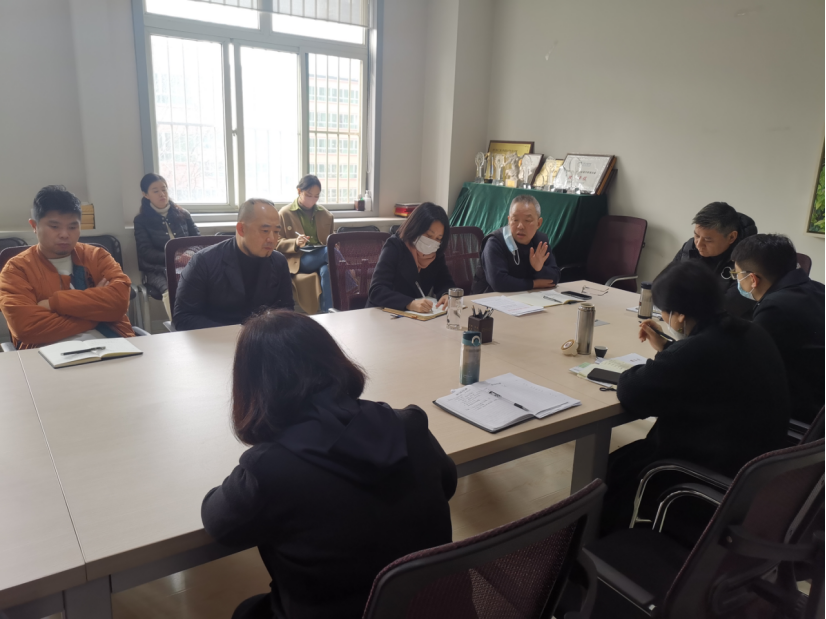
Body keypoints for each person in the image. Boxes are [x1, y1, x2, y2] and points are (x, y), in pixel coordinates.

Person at [202, 310, 457, 619]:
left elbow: (219, 525)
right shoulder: (409, 425)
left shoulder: (268, 469)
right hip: (437, 606)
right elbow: (448, 483)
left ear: (253, 387)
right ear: (335, 361)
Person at [601, 261, 789, 535]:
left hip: (703, 476)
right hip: (756, 471)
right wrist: (669, 348)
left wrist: (671, 354)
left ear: (679, 316)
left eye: (664, 311)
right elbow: (708, 367)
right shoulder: (751, 331)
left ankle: (599, 547)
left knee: (613, 470)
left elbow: (632, 392)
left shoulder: (695, 352)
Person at [0, 185, 135, 349]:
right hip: (48, 353)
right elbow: (26, 327)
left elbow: (119, 302)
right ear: (34, 226)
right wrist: (98, 312)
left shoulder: (97, 256)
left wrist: (53, 304)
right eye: (54, 226)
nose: (64, 234)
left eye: (72, 227)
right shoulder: (16, 270)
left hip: (113, 346)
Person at [731, 235, 825, 424]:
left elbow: (747, 366)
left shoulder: (775, 308)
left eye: (737, 274)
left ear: (753, 279)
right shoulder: (818, 288)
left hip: (802, 412)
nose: (737, 280)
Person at [173, 198, 293, 331]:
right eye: (265, 231)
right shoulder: (203, 262)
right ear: (241, 229)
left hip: (262, 338)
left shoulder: (279, 261)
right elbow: (183, 318)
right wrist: (239, 333)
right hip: (217, 338)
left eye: (276, 232)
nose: (271, 239)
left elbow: (287, 310)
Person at [670, 202, 757, 318]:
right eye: (696, 236)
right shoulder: (690, 248)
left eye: (708, 240)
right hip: (686, 319)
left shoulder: (750, 260)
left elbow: (728, 308)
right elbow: (667, 285)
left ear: (731, 237)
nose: (699, 244)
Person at [367, 202, 456, 312]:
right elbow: (377, 291)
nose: (432, 242)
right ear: (416, 229)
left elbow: (444, 281)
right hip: (384, 313)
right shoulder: (395, 246)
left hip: (417, 316)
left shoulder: (435, 252)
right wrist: (409, 303)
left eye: (438, 238)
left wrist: (447, 294)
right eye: (429, 236)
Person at [134, 173, 200, 315]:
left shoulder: (184, 214)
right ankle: (179, 324)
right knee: (170, 290)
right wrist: (173, 257)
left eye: (164, 189)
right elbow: (145, 251)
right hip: (157, 269)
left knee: (203, 285)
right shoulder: (141, 220)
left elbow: (198, 241)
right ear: (145, 194)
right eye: (155, 191)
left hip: (187, 263)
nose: (162, 194)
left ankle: (202, 324)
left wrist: (189, 253)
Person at [471, 195, 560, 294]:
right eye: (515, 220)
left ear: (539, 223)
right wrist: (534, 284)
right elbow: (499, 282)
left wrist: (539, 269)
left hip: (527, 298)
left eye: (527, 220)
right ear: (509, 220)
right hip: (488, 299)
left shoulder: (540, 242)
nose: (520, 226)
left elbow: (555, 277)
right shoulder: (494, 242)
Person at [276, 175, 334, 314]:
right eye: (308, 195)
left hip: (322, 257)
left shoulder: (325, 214)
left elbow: (332, 240)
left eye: (316, 196)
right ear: (299, 191)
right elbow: (276, 243)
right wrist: (295, 243)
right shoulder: (285, 213)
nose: (312, 199)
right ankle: (350, 279)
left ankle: (328, 314)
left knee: (327, 270)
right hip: (298, 259)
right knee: (328, 252)